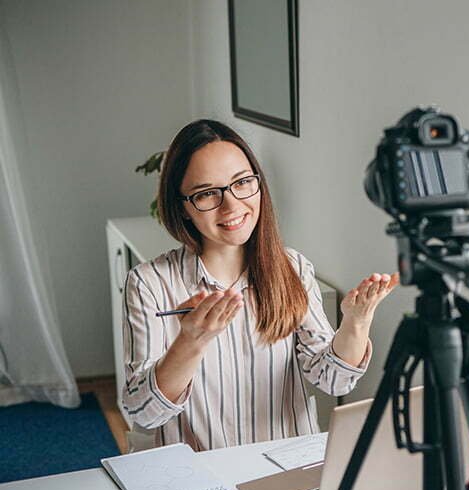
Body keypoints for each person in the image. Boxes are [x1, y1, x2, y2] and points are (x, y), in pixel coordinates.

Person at [121, 119, 399, 451]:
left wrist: (356, 322)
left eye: (242, 183)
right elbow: (144, 413)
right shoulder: (149, 284)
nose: (232, 205)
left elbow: (333, 379)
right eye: (207, 193)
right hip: (200, 476)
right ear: (183, 207)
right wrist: (190, 342)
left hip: (287, 470)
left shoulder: (292, 268)